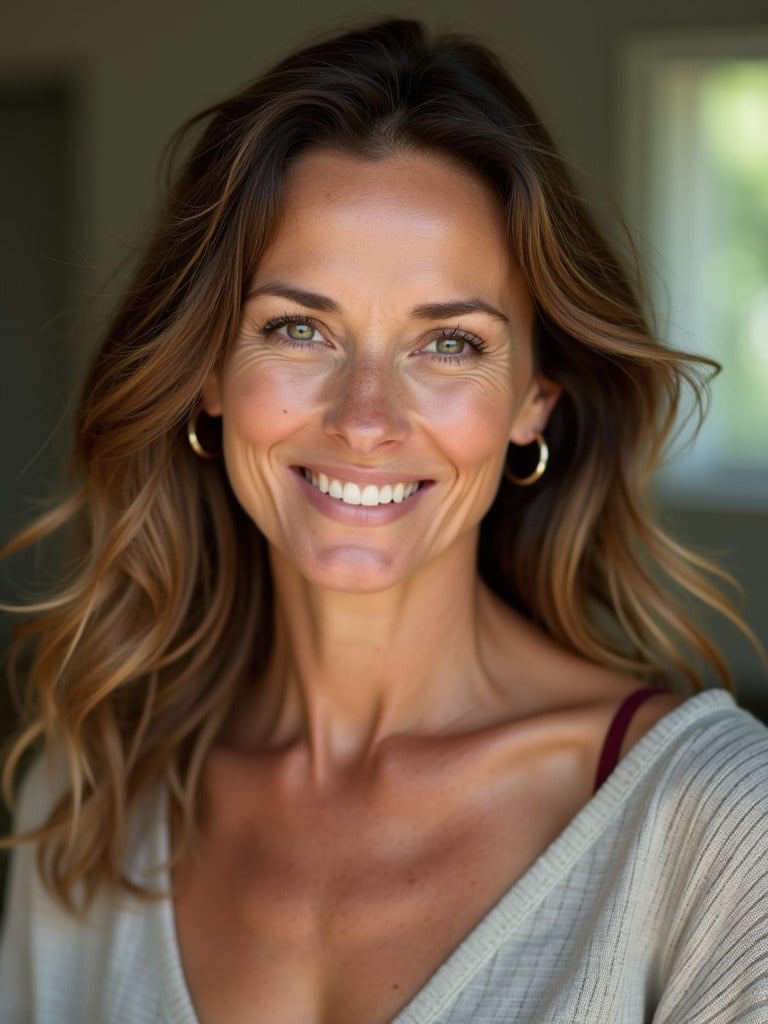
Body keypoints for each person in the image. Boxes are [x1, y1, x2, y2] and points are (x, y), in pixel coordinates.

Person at [1, 17, 767, 1024]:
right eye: (299, 328)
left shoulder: (714, 825)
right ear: (206, 374)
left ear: (535, 396)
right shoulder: (86, 801)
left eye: (448, 342)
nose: (366, 419)